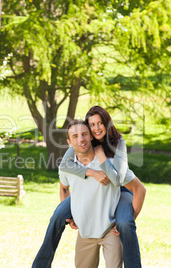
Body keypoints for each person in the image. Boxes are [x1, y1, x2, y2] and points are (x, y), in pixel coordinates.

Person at [33, 106, 146, 268]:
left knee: (125, 224)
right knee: (58, 216)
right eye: (91, 125)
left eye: (100, 123)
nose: (96, 128)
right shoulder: (73, 154)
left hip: (119, 185)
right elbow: (64, 175)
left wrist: (101, 156)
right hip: (95, 186)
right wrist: (91, 172)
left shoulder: (117, 142)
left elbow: (123, 180)